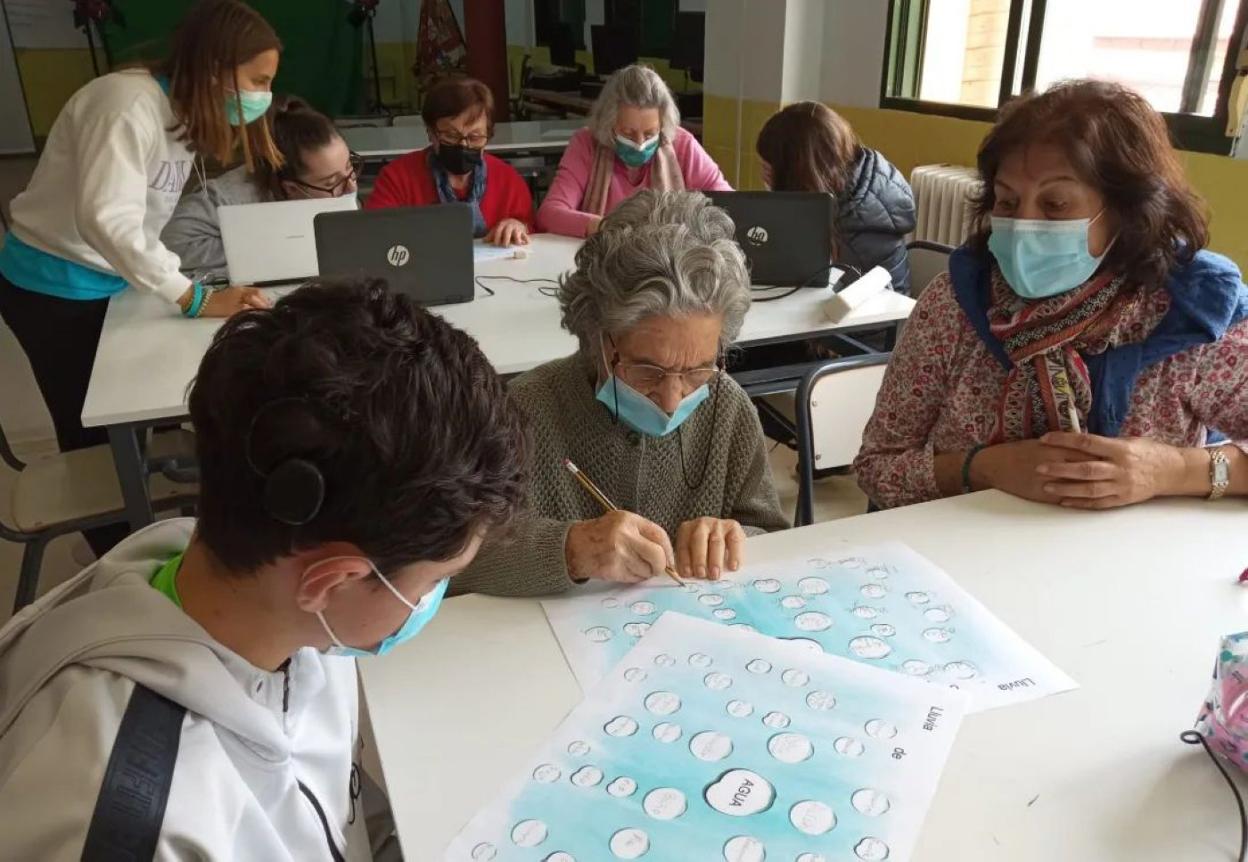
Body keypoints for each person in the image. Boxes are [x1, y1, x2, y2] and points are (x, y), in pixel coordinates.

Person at [0, 278, 528, 858]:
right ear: (334, 581)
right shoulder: (140, 827)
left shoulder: (260, 591)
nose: (428, 603)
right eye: (432, 583)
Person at [855, 80, 1248, 510]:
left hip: (1131, 550)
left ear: (1125, 211)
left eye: (1056, 205)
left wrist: (1173, 470)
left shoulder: (1190, 316)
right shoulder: (956, 304)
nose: (1024, 225)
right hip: (969, 541)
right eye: (1007, 203)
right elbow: (877, 466)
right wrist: (981, 468)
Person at [0, 0, 278, 555]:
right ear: (214, 67)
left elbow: (144, 220)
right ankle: (112, 554)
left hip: (107, 278)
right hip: (54, 287)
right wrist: (192, 296)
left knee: (127, 419)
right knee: (93, 433)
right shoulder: (125, 104)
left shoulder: (177, 113)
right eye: (258, 80)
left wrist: (179, 282)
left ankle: (138, 517)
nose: (263, 95)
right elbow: (107, 219)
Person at [454, 190, 788, 598]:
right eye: (647, 370)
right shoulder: (521, 414)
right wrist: (570, 549)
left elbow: (772, 533)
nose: (672, 400)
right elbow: (451, 565)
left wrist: (734, 538)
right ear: (596, 335)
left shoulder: (728, 407)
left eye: (697, 370)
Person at [162, 95, 360, 281]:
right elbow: (171, 243)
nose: (351, 188)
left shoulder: (342, 185)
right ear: (292, 188)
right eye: (330, 183)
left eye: (349, 168)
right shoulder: (231, 196)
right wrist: (270, 252)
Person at [537, 65, 732, 238]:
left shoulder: (682, 145)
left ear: (663, 126)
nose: (640, 144)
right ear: (608, 124)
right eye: (628, 133)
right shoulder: (586, 144)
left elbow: (731, 205)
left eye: (650, 134)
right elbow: (549, 214)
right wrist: (606, 227)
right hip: (604, 255)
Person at [756, 101, 917, 293]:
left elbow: (832, 296)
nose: (763, 177)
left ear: (797, 174)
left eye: (769, 170)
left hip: (868, 310)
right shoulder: (841, 192)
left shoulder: (859, 229)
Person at [365, 76, 533, 247]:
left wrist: (519, 226)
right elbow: (374, 233)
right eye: (451, 136)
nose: (463, 145)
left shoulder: (508, 180)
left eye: (475, 137)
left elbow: (532, 231)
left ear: (488, 135)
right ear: (430, 132)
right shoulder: (397, 177)